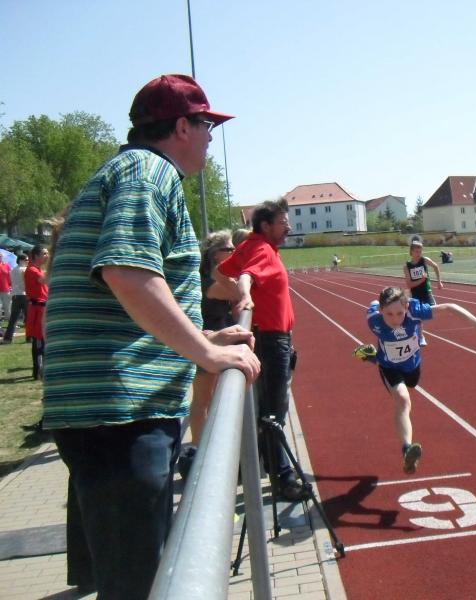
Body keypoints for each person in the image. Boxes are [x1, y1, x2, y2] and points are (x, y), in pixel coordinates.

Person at [41, 74, 261, 599]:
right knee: (138, 587)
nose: (211, 138)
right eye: (207, 126)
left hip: (111, 408)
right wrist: (204, 352)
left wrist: (201, 336)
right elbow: (126, 272)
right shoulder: (148, 172)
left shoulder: (129, 172)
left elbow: (123, 299)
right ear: (182, 126)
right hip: (121, 414)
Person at [215, 198, 305, 501]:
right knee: (274, 412)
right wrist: (244, 296)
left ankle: (271, 469)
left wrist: (239, 292)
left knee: (268, 409)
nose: (288, 227)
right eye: (283, 222)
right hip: (272, 340)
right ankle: (283, 479)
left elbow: (220, 272)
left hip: (269, 337)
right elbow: (245, 276)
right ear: (266, 226)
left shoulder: (251, 245)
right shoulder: (263, 250)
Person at [354, 286, 476, 474]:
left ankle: (370, 355)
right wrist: (377, 300)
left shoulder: (415, 312)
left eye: (399, 313)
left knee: (412, 384)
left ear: (406, 307)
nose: (395, 319)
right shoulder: (374, 319)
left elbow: (449, 307)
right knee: (403, 400)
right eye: (389, 314)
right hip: (390, 367)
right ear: (381, 310)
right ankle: (407, 449)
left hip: (412, 365)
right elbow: (373, 303)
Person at [179, 230, 239, 478]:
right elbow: (237, 292)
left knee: (212, 398)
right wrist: (230, 274)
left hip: (217, 340)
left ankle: (205, 447)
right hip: (208, 342)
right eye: (230, 249)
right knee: (202, 400)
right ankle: (198, 451)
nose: (235, 252)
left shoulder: (214, 278)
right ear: (216, 255)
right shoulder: (209, 282)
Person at [404, 239, 443, 346]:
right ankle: (421, 336)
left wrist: (439, 281)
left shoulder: (424, 260)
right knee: (419, 316)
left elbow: (435, 266)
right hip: (415, 294)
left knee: (434, 310)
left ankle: (416, 328)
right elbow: (409, 284)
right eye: (416, 251)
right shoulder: (407, 266)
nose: (419, 254)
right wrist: (421, 280)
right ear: (411, 252)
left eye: (420, 251)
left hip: (426, 291)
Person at [25, 245, 48, 378]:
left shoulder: (38, 269)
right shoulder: (32, 270)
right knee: (39, 341)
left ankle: (40, 370)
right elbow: (46, 280)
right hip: (38, 309)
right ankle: (38, 371)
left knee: (42, 340)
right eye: (44, 254)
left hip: (42, 308)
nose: (47, 256)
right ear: (36, 256)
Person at [2, 254, 27, 343]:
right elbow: (24, 283)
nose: (27, 261)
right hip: (23, 294)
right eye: (26, 260)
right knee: (28, 318)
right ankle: (30, 337)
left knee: (13, 318)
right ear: (21, 260)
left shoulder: (12, 270)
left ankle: (8, 338)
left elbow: (11, 282)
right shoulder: (24, 269)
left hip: (15, 295)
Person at [0, 252, 11, 327]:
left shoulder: (6, 266)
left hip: (6, 289)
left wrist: (11, 286)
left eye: (0, 256)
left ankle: (10, 322)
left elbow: (9, 277)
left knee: (8, 307)